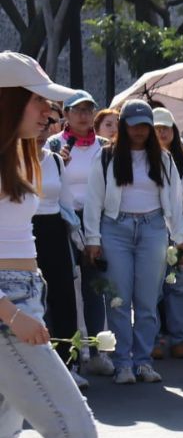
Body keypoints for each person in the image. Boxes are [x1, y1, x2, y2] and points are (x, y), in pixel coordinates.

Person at [0, 51, 98, 438]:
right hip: (8, 312)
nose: (51, 111)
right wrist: (13, 314)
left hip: (22, 302)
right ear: (11, 100)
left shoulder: (22, 154)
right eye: (39, 100)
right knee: (75, 436)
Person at [83, 100, 183, 384]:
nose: (139, 131)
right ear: (123, 126)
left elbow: (176, 201)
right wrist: (92, 238)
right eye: (133, 125)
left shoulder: (163, 158)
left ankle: (143, 361)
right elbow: (93, 201)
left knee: (148, 300)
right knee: (117, 299)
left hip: (153, 227)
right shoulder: (106, 156)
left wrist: (179, 237)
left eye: (144, 125)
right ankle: (122, 363)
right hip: (115, 228)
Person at [46, 90, 113, 377]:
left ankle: (97, 351)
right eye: (77, 110)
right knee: (63, 290)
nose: (83, 115)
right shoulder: (53, 144)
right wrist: (59, 162)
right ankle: (68, 355)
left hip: (97, 221)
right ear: (67, 115)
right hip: (63, 221)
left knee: (94, 288)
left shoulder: (105, 147)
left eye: (88, 110)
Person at [32, 108, 86, 388]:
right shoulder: (7, 157)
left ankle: (68, 364)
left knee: (63, 298)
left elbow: (66, 203)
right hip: (19, 235)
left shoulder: (54, 160)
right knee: (29, 304)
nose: (44, 126)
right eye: (40, 120)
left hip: (53, 231)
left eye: (50, 122)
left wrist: (82, 241)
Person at [153, 107, 183, 361]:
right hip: (154, 228)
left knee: (181, 285)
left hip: (181, 229)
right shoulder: (142, 158)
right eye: (156, 127)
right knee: (154, 287)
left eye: (166, 127)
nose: (161, 132)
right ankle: (156, 337)